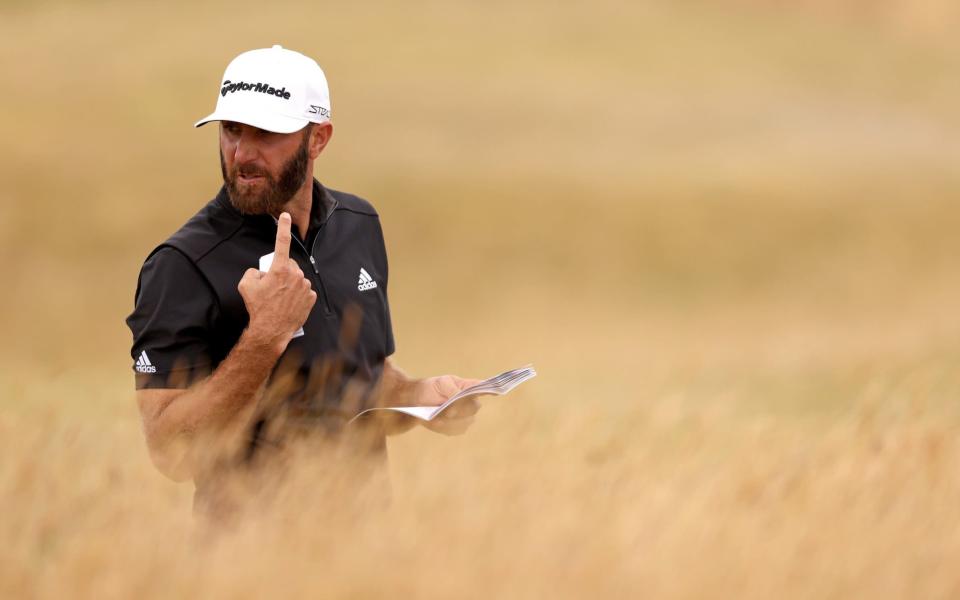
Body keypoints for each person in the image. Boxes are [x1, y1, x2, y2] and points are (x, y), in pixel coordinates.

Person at [125, 45, 481, 514]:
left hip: (367, 553)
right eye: (231, 130)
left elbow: (359, 379)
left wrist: (420, 396)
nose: (242, 153)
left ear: (318, 139)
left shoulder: (358, 223)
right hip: (245, 561)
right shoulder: (181, 265)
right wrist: (264, 338)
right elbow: (171, 452)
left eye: (267, 133)